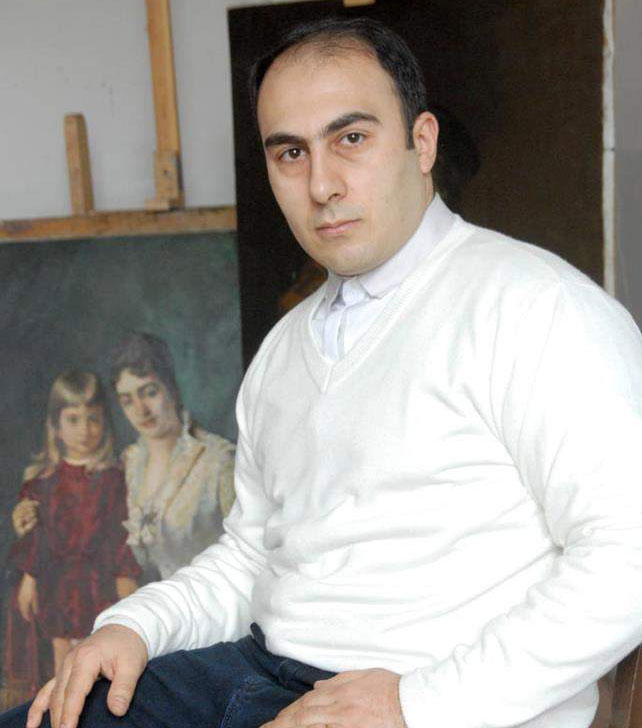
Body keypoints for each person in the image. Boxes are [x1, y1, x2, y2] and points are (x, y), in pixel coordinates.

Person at [3, 16, 642, 728]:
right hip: (255, 672)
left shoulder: (539, 308)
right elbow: (253, 555)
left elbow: (629, 554)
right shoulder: (284, 349)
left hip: (432, 698)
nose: (321, 184)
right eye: (290, 153)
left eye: (352, 138)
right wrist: (136, 624)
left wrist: (415, 703)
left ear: (422, 142)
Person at [10, 333, 236, 585]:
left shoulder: (219, 462)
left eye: (150, 392)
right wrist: (30, 520)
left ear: (171, 388)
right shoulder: (127, 464)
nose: (141, 410)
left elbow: (248, 555)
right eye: (127, 401)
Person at [0, 371, 140, 710]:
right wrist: (30, 577)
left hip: (99, 580)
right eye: (73, 420)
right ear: (56, 426)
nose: (85, 430)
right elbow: (37, 538)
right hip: (55, 583)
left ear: (105, 423)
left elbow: (118, 532)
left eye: (93, 419)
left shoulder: (114, 478)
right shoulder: (41, 481)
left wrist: (126, 579)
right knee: (61, 661)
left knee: (99, 658)